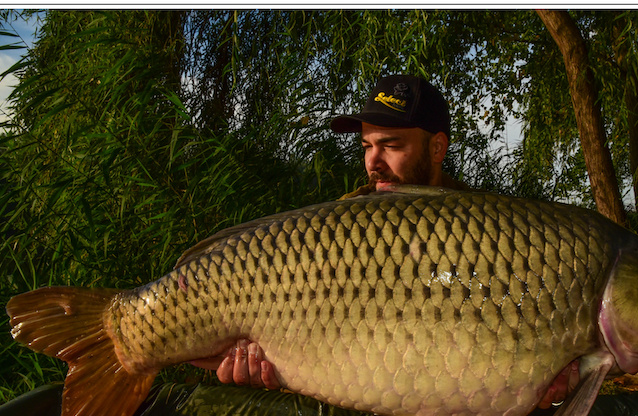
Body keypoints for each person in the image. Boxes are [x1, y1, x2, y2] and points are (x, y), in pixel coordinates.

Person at [191, 74, 468, 387]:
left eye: (391, 145)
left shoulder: (486, 225)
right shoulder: (337, 225)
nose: (373, 162)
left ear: (437, 148)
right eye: (367, 146)